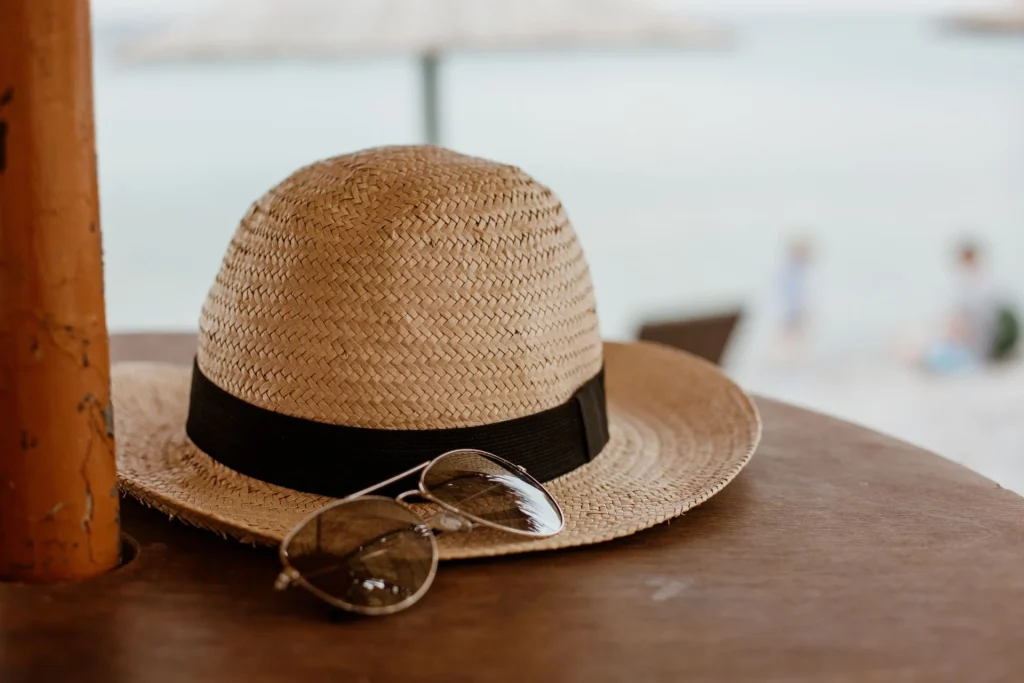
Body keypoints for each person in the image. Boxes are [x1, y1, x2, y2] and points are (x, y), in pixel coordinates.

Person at [922, 239, 1019, 373]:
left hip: (975, 348)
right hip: (966, 343)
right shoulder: (963, 286)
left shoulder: (985, 287)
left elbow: (978, 324)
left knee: (934, 354)